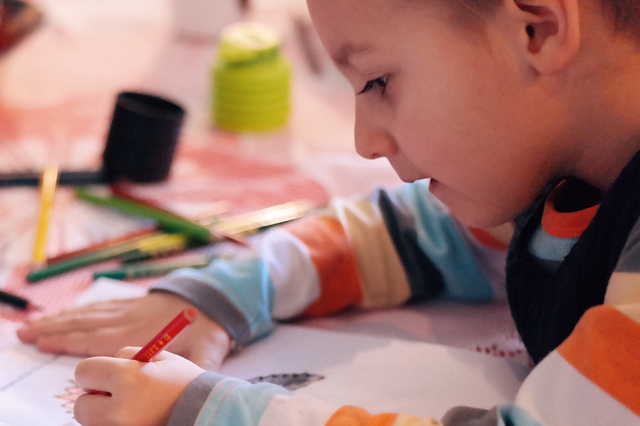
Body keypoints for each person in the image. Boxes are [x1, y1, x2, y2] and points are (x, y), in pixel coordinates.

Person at [16, 0, 640, 424]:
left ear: (538, 29)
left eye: (378, 82)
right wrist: (231, 295)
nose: (364, 142)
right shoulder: (554, 170)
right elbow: (412, 233)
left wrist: (214, 411)